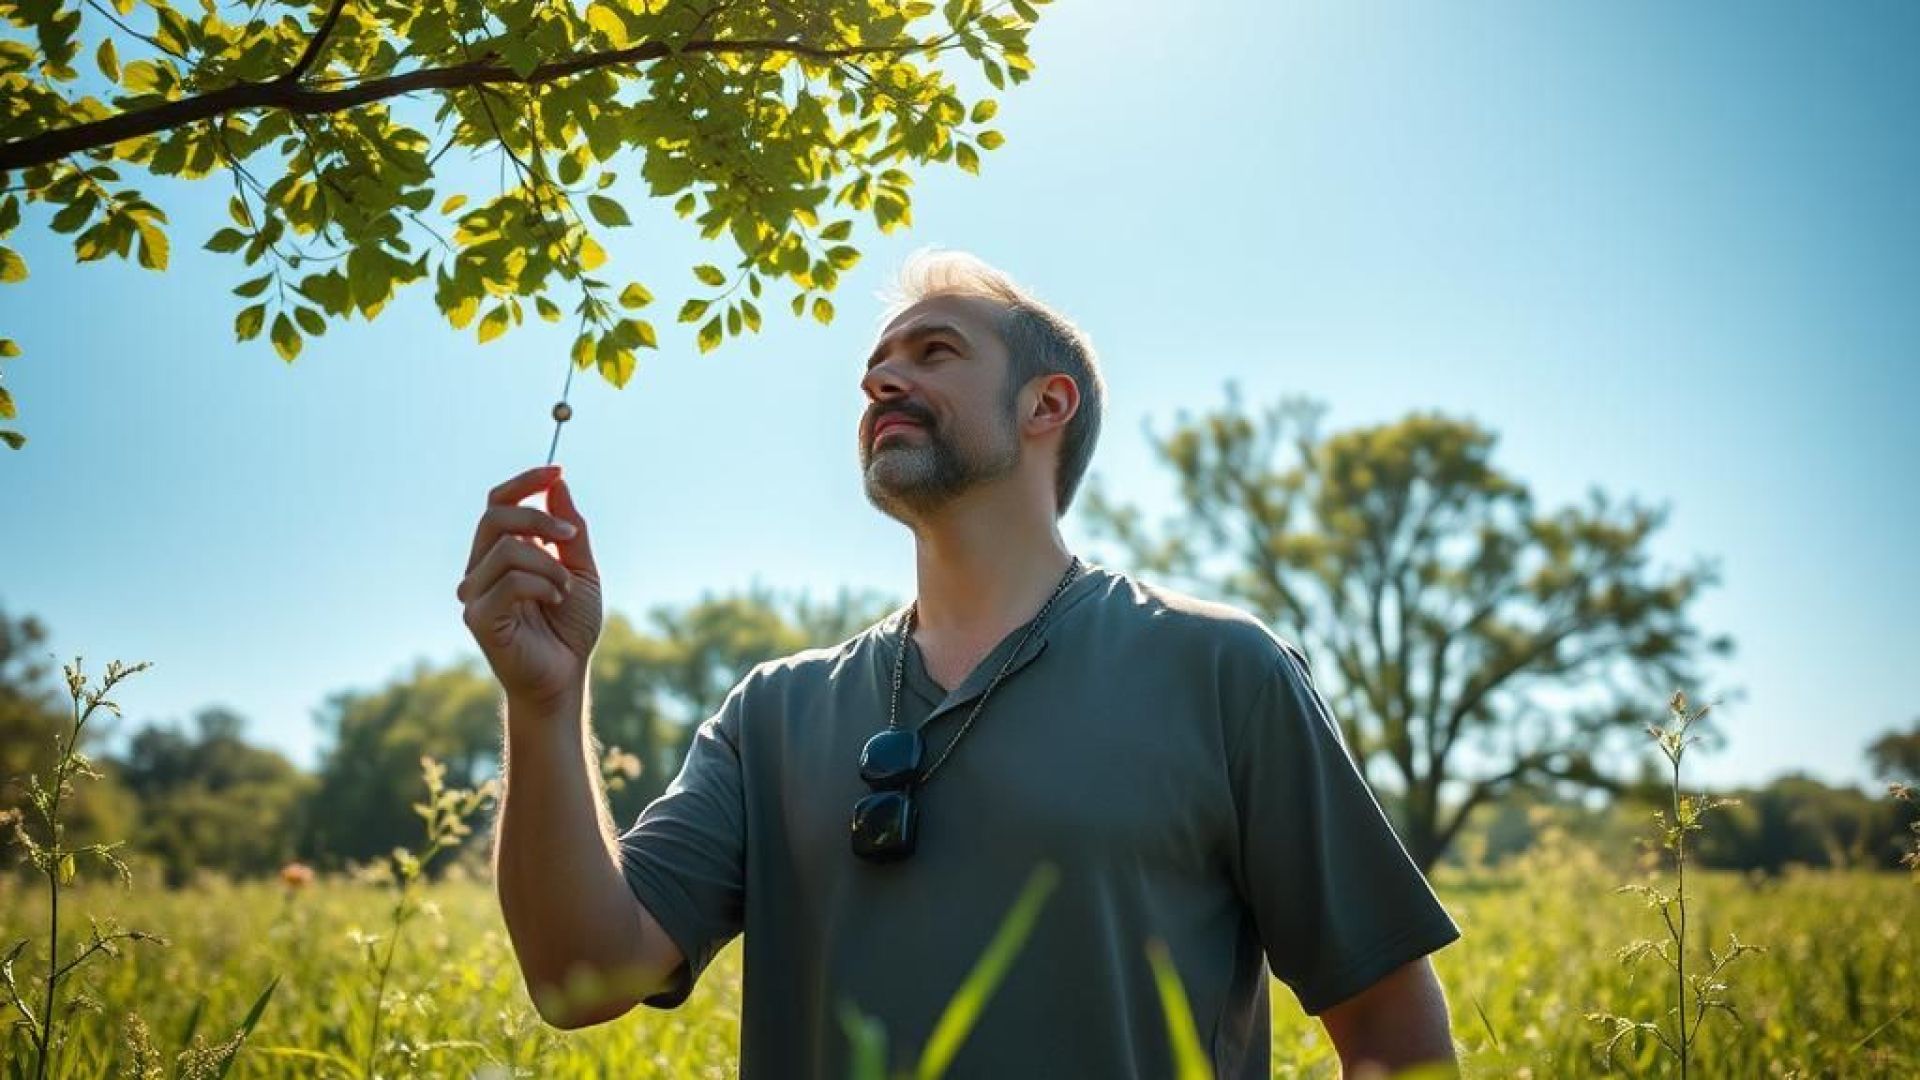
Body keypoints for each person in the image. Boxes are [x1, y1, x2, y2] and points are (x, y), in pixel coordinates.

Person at [466, 250, 1461, 1078]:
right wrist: (546, 703)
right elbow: (579, 973)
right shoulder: (774, 715)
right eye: (874, 368)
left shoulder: (1220, 670)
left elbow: (1389, 1029)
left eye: (933, 351)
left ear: (1046, 404)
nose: (882, 380)